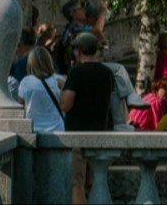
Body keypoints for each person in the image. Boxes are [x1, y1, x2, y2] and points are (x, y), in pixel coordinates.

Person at [60, 32, 115, 205]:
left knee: (77, 183)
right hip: (100, 133)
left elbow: (66, 104)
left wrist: (63, 87)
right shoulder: (107, 73)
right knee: (95, 181)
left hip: (77, 134)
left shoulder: (76, 73)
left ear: (79, 51)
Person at [17, 46, 64, 134]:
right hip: (58, 129)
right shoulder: (59, 80)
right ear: (49, 61)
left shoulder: (26, 82)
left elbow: (20, 107)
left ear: (30, 63)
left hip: (34, 130)